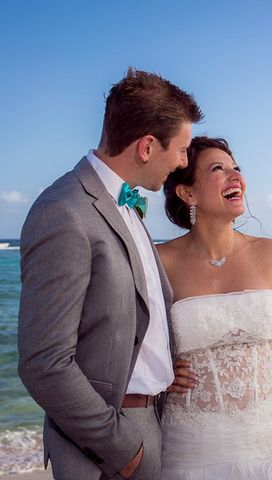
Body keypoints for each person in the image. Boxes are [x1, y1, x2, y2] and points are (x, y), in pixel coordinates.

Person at [18, 68, 203, 480]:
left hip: (149, 424)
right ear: (147, 146)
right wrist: (121, 448)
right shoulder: (63, 212)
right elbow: (43, 362)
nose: (183, 161)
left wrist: (164, 367)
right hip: (108, 450)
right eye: (182, 149)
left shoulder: (129, 205)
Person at [159, 136, 272, 479]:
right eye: (218, 169)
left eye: (236, 168)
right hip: (191, 446)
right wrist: (159, 373)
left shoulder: (270, 253)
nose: (236, 177)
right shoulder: (160, 261)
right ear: (188, 193)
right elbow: (131, 342)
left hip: (269, 443)